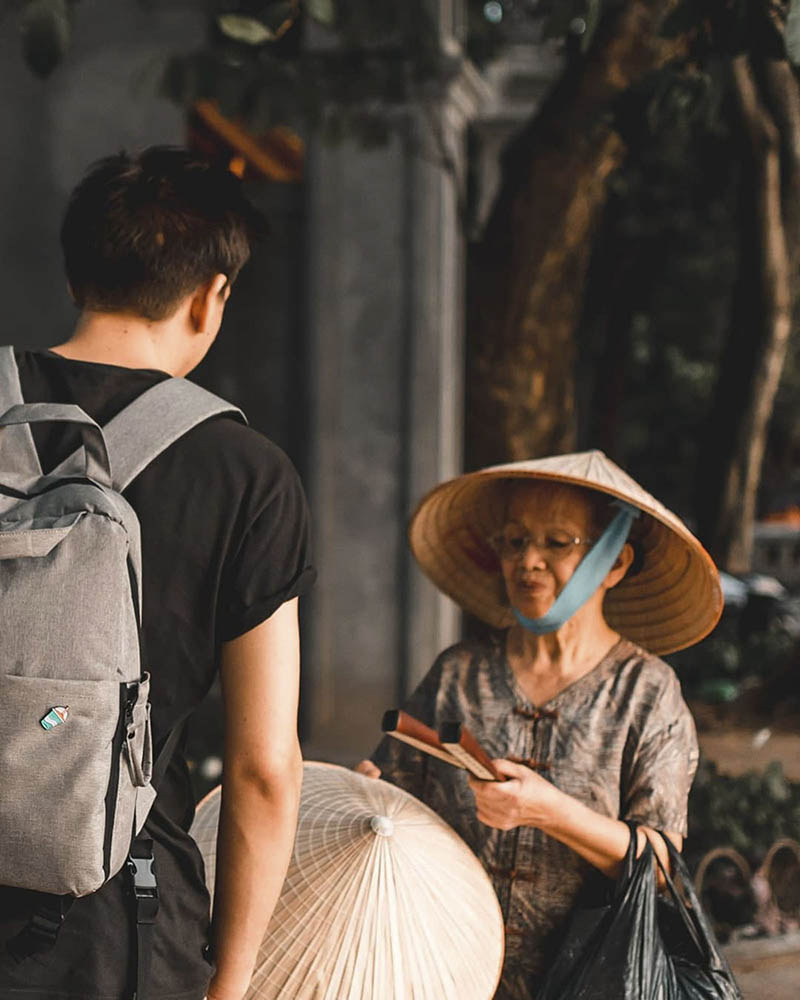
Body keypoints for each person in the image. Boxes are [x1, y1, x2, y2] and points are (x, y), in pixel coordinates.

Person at [0, 147, 314, 1000]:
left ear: (76, 275)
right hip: (114, 931)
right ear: (213, 294)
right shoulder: (245, 474)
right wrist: (231, 984)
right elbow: (262, 769)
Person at [359, 453, 722, 999]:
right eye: (513, 541)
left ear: (615, 563)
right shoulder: (460, 674)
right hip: (450, 968)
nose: (528, 560)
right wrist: (368, 795)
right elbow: (397, 793)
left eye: (557, 543)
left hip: (593, 978)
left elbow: (663, 863)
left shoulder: (646, 691)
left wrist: (550, 812)